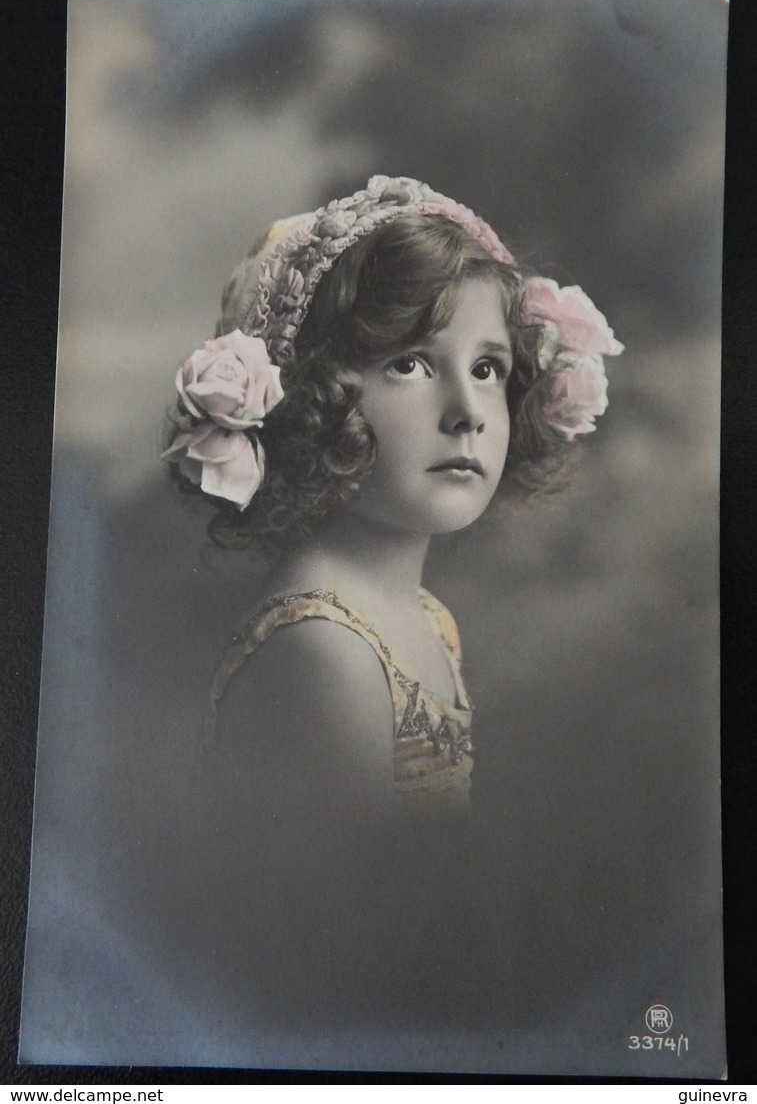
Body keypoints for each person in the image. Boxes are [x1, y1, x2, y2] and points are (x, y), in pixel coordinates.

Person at [162, 175, 623, 1027]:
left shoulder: (421, 617)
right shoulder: (322, 648)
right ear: (312, 400)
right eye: (409, 363)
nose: (467, 414)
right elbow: (351, 964)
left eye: (486, 369)